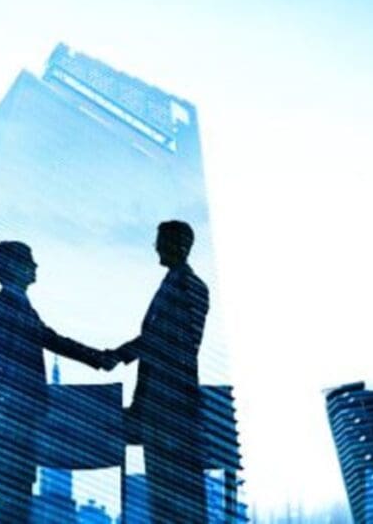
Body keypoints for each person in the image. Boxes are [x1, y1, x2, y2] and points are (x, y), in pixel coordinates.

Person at [0, 241, 115, 523]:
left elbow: (49, 339)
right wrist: (100, 359)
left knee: (18, 492)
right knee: (12, 496)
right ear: (13, 267)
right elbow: (4, 360)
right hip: (14, 420)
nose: (35, 266)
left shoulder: (17, 307)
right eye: (29, 261)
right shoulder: (1, 307)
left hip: (18, 419)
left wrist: (98, 358)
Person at [111, 220, 209, 524]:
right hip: (160, 407)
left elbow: (165, 343)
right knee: (163, 495)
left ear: (179, 244)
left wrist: (117, 355)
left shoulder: (189, 286)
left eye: (161, 241)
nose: (156, 247)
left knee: (177, 495)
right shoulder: (174, 285)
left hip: (172, 408)